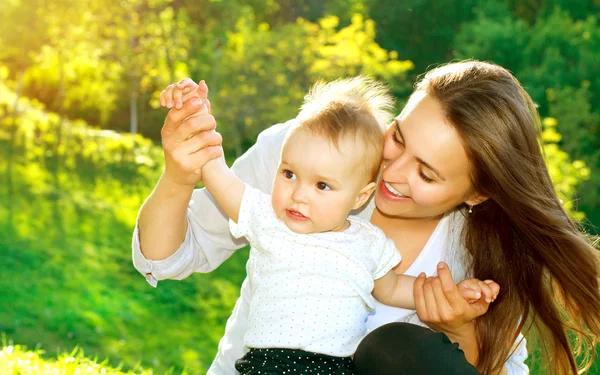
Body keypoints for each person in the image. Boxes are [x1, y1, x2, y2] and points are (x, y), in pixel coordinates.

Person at [133, 61, 600, 375]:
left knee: (397, 347)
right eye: (399, 138)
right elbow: (167, 257)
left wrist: (460, 329)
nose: (392, 173)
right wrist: (180, 174)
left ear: (476, 193)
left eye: (427, 174)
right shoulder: (305, 157)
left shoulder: (483, 252)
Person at [185, 76, 495, 374]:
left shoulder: (368, 242)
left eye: (322, 186)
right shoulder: (270, 220)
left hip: (334, 369)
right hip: (269, 365)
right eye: (289, 174)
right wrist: (198, 130)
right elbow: (221, 182)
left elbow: (393, 287)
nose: (299, 196)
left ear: (361, 195)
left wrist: (453, 293)